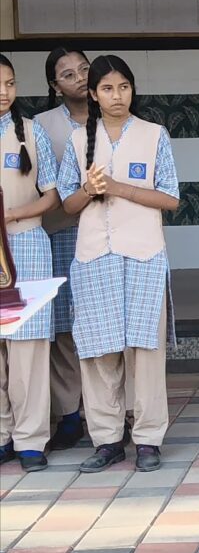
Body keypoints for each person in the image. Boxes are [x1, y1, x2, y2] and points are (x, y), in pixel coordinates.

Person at [58, 55, 179, 474]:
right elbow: (67, 203)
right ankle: (108, 440)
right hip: (94, 256)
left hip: (144, 254)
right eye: (107, 89)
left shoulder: (153, 134)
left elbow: (171, 197)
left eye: (123, 87)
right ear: (93, 94)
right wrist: (89, 191)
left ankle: (148, 439)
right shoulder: (78, 140)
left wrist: (119, 187)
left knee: (145, 350)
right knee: (99, 351)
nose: (117, 96)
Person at [0, 53, 59, 472]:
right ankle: (2, 435)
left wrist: (12, 215)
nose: (3, 92)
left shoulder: (32, 131)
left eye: (9, 83)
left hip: (26, 245)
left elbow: (51, 195)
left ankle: (31, 440)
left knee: (29, 348)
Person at [35, 47, 90, 450]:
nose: (80, 78)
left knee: (104, 322)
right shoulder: (42, 125)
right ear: (55, 86)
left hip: (109, 233)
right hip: (61, 233)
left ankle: (116, 412)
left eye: (84, 69)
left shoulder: (115, 115)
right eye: (68, 74)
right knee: (64, 328)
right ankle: (69, 415)